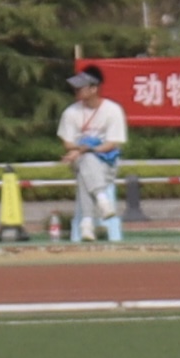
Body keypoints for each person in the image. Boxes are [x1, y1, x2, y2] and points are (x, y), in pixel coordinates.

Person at [56, 65, 129, 243]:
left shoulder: (113, 110)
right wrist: (82, 150)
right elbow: (67, 143)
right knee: (86, 161)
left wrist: (85, 149)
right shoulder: (70, 113)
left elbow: (112, 143)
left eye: (80, 87)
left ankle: (86, 223)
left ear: (94, 88)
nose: (76, 91)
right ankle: (102, 200)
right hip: (80, 160)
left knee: (86, 168)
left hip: (106, 163)